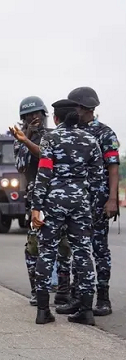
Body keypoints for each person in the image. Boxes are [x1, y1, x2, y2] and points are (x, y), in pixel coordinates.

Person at [30, 99, 103, 326]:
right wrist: (92, 205)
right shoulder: (90, 140)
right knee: (83, 252)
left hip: (54, 201)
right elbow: (97, 179)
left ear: (56, 118)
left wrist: (36, 206)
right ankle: (86, 311)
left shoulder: (50, 138)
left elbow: (43, 173)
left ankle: (43, 311)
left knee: (47, 252)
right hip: (80, 201)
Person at [9, 97, 72, 306]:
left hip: (58, 197)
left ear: (45, 115)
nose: (34, 117)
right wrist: (25, 137)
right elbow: (20, 166)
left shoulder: (54, 136)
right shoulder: (20, 139)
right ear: (23, 119)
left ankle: (63, 291)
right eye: (29, 115)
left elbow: (53, 160)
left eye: (37, 113)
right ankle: (37, 291)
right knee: (34, 247)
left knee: (63, 245)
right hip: (36, 199)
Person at [70, 87, 118, 317]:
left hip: (97, 202)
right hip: (75, 201)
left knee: (99, 250)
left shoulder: (105, 133)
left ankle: (103, 298)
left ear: (84, 108)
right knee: (77, 249)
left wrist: (112, 199)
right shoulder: (70, 131)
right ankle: (78, 297)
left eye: (75, 107)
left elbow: (113, 168)